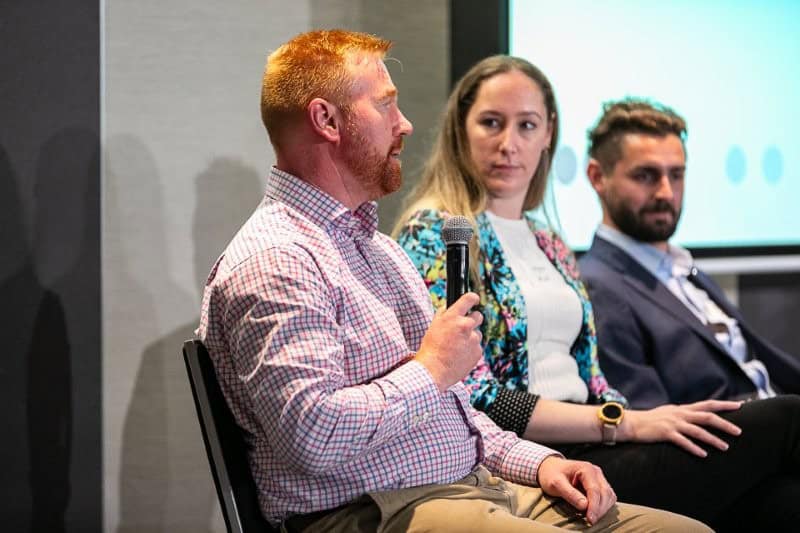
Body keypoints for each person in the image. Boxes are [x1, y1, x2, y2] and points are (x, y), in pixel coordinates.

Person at [196, 31, 700, 532]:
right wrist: (433, 367)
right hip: (373, 510)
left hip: (477, 485)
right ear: (327, 121)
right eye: (385, 105)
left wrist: (541, 463)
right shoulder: (277, 261)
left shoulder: (380, 251)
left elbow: (455, 411)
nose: (405, 123)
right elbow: (315, 435)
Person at [394, 54, 800, 531]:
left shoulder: (549, 241)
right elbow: (469, 393)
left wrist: (640, 420)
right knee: (787, 418)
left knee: (782, 501)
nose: (509, 144)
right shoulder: (440, 232)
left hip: (602, 439)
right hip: (535, 458)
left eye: (527, 125)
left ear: (548, 134)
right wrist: (624, 423)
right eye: (491, 123)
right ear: (460, 130)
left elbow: (593, 379)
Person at [579, 98, 800, 408]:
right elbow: (647, 423)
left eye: (676, 175)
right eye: (645, 176)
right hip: (746, 434)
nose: (666, 192)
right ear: (597, 177)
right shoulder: (597, 286)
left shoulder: (682, 268)